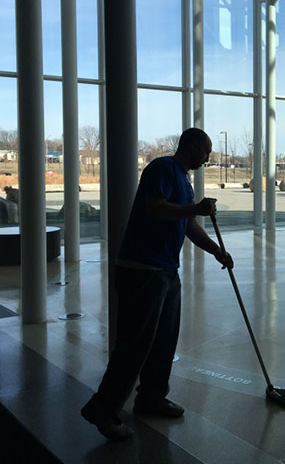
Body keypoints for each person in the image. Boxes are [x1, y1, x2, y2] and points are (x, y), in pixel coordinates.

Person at [81, 128, 233, 440]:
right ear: (191, 147)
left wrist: (218, 250)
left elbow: (188, 225)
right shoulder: (162, 168)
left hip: (165, 270)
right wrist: (195, 208)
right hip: (142, 270)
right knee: (134, 345)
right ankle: (103, 408)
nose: (208, 158)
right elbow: (155, 208)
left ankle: (151, 397)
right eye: (206, 151)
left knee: (164, 340)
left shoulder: (184, 181)